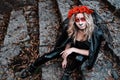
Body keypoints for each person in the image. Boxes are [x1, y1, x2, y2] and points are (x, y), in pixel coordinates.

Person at [20, 5, 108, 80]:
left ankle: (67, 72)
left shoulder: (96, 33)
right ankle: (32, 67)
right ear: (74, 21)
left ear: (87, 19)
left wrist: (73, 49)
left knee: (79, 58)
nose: (80, 23)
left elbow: (91, 52)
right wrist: (65, 57)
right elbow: (68, 42)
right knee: (48, 55)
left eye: (83, 19)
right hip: (70, 49)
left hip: (82, 52)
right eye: (77, 20)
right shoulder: (72, 29)